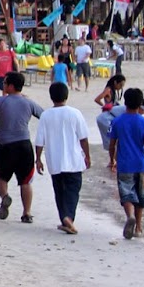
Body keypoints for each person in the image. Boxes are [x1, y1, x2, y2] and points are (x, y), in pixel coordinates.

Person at [0, 71, 45, 223]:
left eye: (5, 83)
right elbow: (43, 115)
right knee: (25, 181)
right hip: (24, 144)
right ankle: (27, 213)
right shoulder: (28, 102)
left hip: (5, 145)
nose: (3, 85)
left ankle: (5, 196)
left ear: (10, 86)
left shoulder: (1, 101)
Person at [34, 80, 91, 234]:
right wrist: (87, 156)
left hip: (55, 161)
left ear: (51, 97)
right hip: (74, 161)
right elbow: (83, 138)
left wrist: (38, 159)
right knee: (73, 191)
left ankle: (65, 218)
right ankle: (69, 218)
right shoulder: (75, 113)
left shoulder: (46, 115)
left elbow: (40, 141)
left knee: (59, 191)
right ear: (66, 95)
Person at [111, 88, 144, 240]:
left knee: (127, 195)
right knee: (141, 196)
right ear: (140, 104)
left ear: (125, 102)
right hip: (141, 165)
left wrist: (112, 159)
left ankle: (129, 216)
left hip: (125, 164)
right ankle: (138, 227)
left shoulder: (116, 121)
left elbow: (113, 144)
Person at [96, 75, 128, 166]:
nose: (121, 87)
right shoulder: (108, 90)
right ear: (115, 82)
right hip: (108, 117)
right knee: (114, 140)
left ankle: (113, 161)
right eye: (120, 85)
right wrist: (105, 106)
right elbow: (97, 99)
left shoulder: (113, 90)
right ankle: (114, 161)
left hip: (112, 116)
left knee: (113, 140)